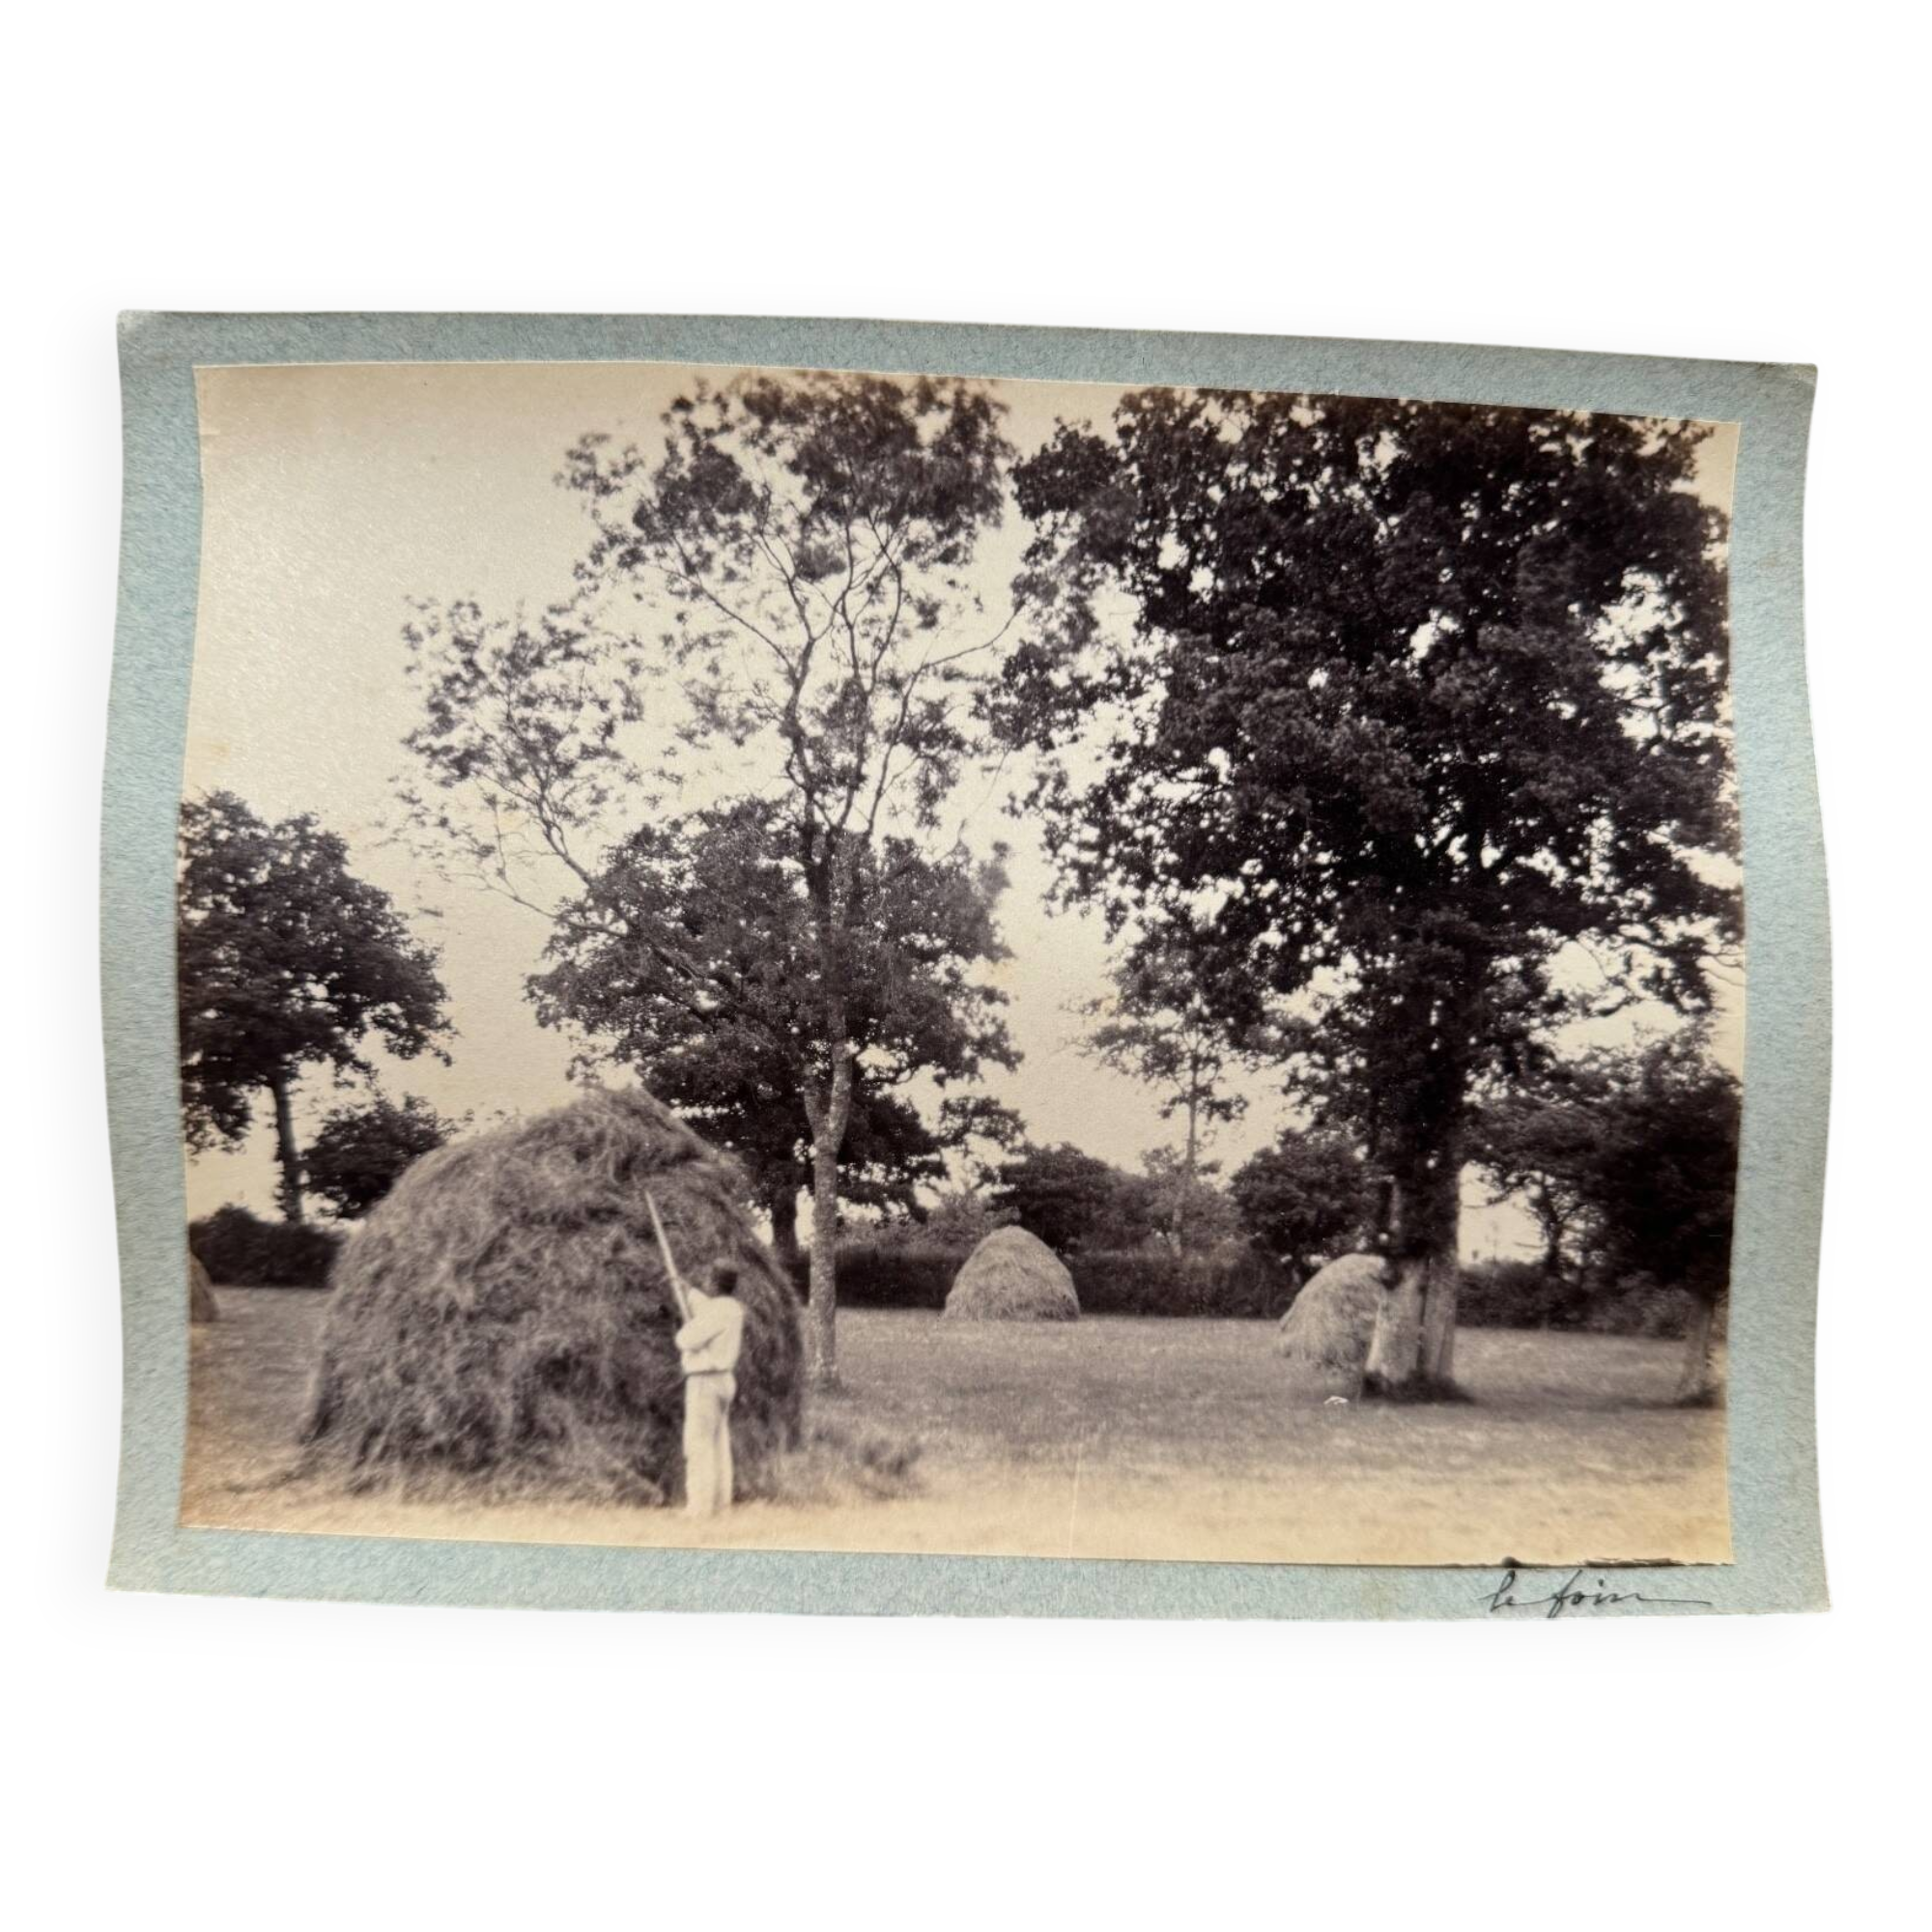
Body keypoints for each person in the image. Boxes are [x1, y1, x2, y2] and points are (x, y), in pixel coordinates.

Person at [675, 1260, 747, 1519]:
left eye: (708, 1278)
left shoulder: (716, 1312)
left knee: (698, 1444)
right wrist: (689, 1292)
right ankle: (720, 1504)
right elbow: (707, 1311)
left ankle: (698, 1508)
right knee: (719, 1443)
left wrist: (685, 1328)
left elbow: (686, 1338)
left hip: (704, 1382)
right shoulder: (732, 1308)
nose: (705, 1282)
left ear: (715, 1282)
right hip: (724, 1380)